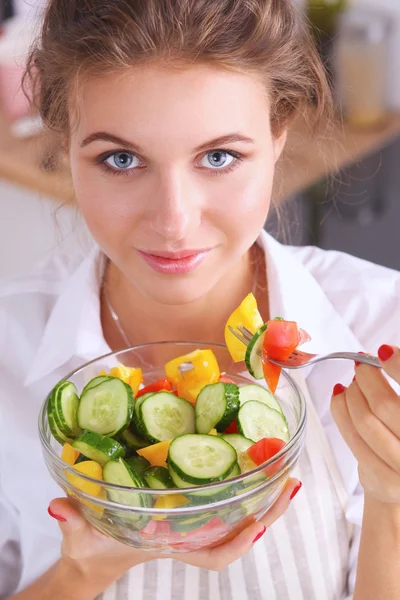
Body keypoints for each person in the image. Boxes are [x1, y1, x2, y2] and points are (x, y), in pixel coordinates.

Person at [0, 1, 399, 599]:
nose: (173, 221)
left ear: (278, 136)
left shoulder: (377, 321)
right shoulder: (8, 342)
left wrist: (391, 502)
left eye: (219, 157)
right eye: (121, 159)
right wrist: (82, 573)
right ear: (66, 148)